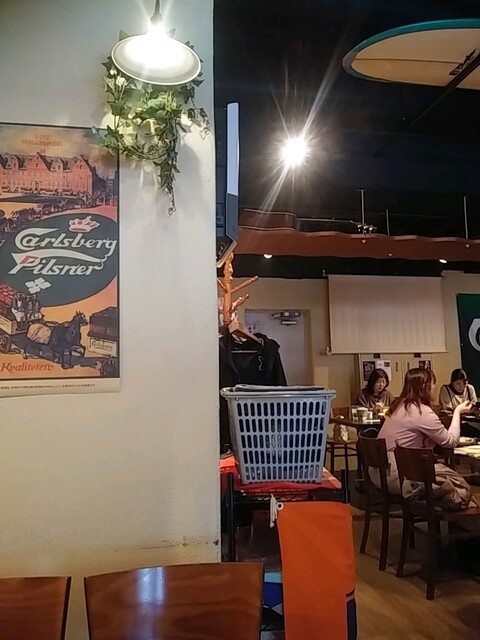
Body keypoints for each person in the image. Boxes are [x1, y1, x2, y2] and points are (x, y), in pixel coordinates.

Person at [372, 368, 472, 494]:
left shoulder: (398, 405)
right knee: (460, 485)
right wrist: (458, 412)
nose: (435, 387)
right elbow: (451, 442)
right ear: (425, 387)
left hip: (379, 473)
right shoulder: (422, 411)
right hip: (400, 475)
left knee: (451, 481)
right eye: (433, 384)